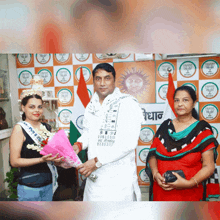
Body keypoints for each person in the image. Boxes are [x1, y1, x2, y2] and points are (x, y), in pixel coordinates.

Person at [72, 63, 143, 201]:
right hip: (95, 181)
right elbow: (88, 133)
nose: (102, 83)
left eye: (107, 78)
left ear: (114, 80)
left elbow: (128, 143)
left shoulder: (128, 104)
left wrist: (97, 161)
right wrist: (78, 145)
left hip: (119, 182)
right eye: (98, 79)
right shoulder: (91, 105)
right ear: (93, 81)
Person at [146, 85, 219, 201]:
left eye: (185, 100)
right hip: (161, 193)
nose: (180, 104)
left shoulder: (202, 130)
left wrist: (189, 183)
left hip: (190, 195)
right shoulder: (165, 127)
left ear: (194, 103)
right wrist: (155, 174)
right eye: (176, 100)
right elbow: (152, 155)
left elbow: (209, 166)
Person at [9, 89, 64, 201]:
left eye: (40, 107)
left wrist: (58, 160)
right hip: (29, 187)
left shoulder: (47, 127)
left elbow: (51, 155)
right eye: (32, 107)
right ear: (23, 108)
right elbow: (14, 161)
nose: (37, 110)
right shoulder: (19, 129)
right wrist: (41, 160)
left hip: (49, 184)